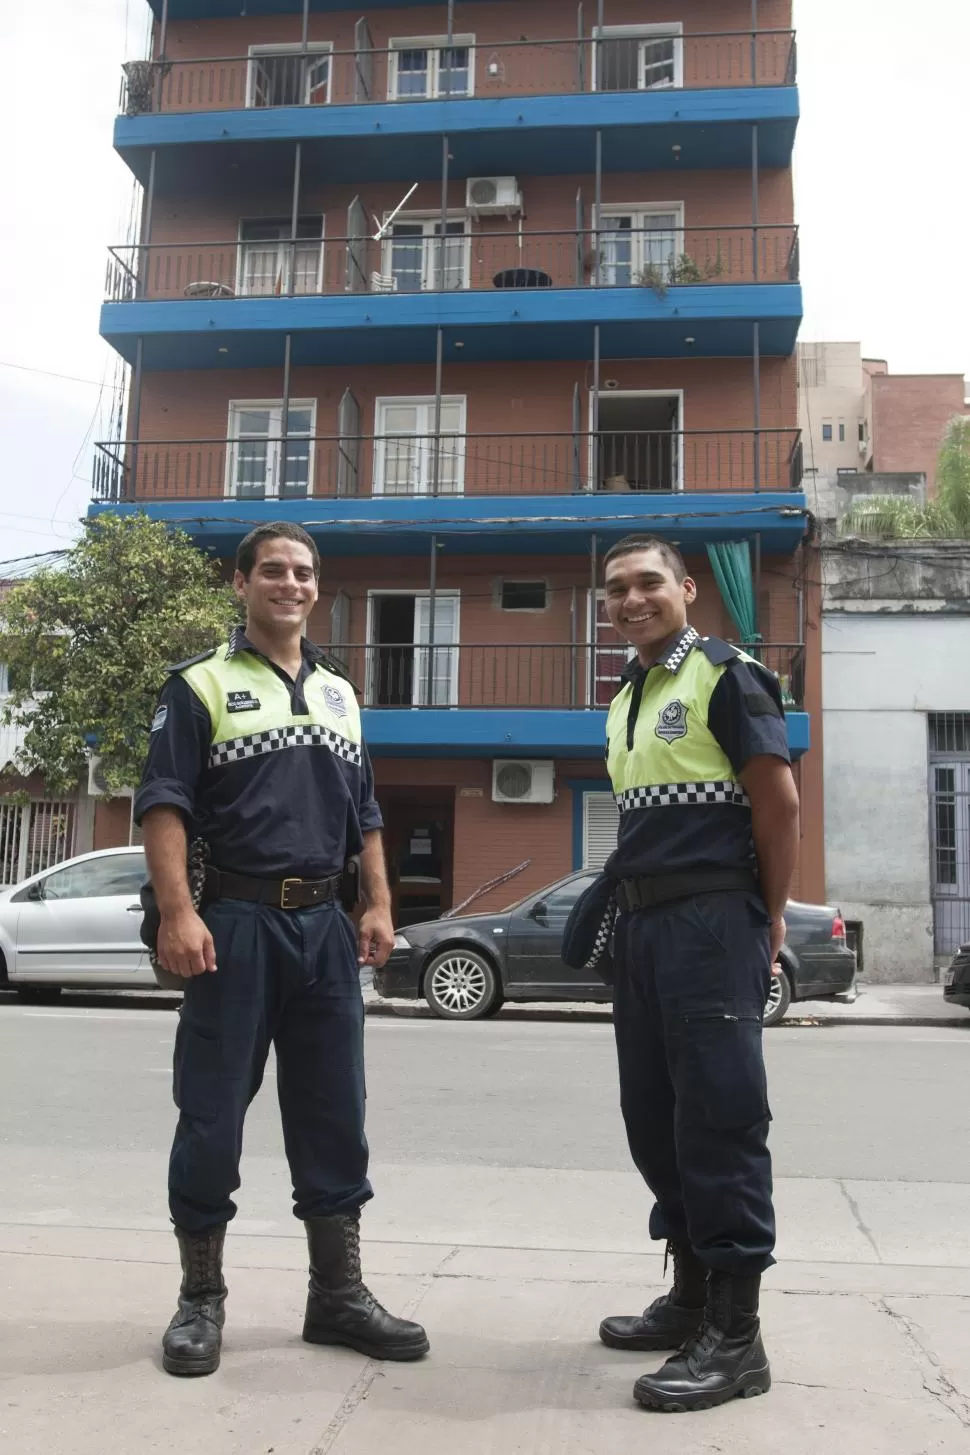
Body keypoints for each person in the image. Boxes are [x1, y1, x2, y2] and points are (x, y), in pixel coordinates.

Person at [135, 521, 429, 1377]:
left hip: (325, 931)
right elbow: (164, 806)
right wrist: (177, 913)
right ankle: (200, 1301)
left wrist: (376, 903)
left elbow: (365, 813)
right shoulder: (197, 685)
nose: (290, 583)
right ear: (241, 583)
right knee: (212, 1112)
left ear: (316, 587)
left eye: (303, 572)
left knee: (336, 1112)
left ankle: (337, 1296)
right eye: (273, 570)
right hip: (235, 924)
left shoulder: (342, 694)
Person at [596, 535, 799, 1413]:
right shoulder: (626, 696)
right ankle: (688, 1297)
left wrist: (772, 913)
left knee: (719, 1121)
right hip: (641, 930)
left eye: (648, 583)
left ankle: (737, 1335)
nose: (632, 599)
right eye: (616, 589)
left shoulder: (726, 673)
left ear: (686, 588)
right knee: (655, 1119)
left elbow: (778, 800)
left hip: (712, 922)